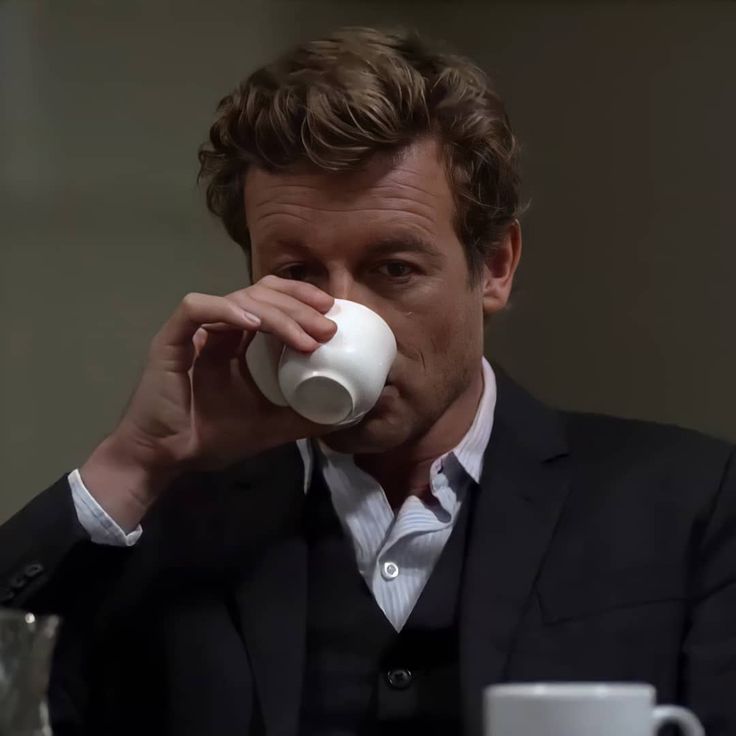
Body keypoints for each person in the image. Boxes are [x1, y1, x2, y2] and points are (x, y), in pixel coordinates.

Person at [1, 26, 734, 736]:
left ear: (497, 268)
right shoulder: (159, 527)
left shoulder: (687, 506)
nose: (338, 317)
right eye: (296, 273)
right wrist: (132, 463)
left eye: (394, 269)